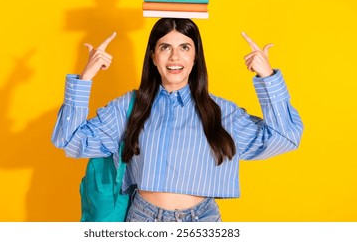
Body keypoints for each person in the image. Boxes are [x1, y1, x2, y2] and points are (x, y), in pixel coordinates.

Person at [51, 18, 303, 222]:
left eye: (184, 47)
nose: (174, 57)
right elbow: (70, 140)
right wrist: (85, 79)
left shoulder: (222, 112)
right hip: (144, 220)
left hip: (202, 220)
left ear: (195, 58)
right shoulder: (130, 107)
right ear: (153, 56)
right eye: (165, 47)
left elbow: (286, 137)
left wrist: (268, 77)